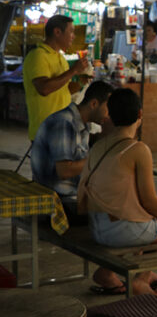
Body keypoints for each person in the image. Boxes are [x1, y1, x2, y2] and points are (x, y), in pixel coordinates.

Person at [77, 88, 157, 297]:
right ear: (140, 115)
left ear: (110, 115)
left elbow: (140, 202)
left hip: (98, 227)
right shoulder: (138, 149)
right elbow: (149, 201)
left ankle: (140, 279)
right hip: (122, 231)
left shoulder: (98, 146)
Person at [32, 80, 115, 218]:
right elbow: (65, 170)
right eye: (108, 110)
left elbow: (80, 148)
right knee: (119, 211)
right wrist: (100, 158)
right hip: (57, 201)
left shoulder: (81, 124)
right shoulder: (64, 122)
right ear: (94, 104)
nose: (109, 116)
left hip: (69, 194)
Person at [24, 15, 90, 141]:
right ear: (57, 32)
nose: (73, 36)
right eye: (71, 31)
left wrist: (82, 82)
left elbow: (63, 89)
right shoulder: (38, 56)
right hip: (46, 130)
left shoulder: (60, 58)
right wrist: (73, 70)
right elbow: (44, 88)